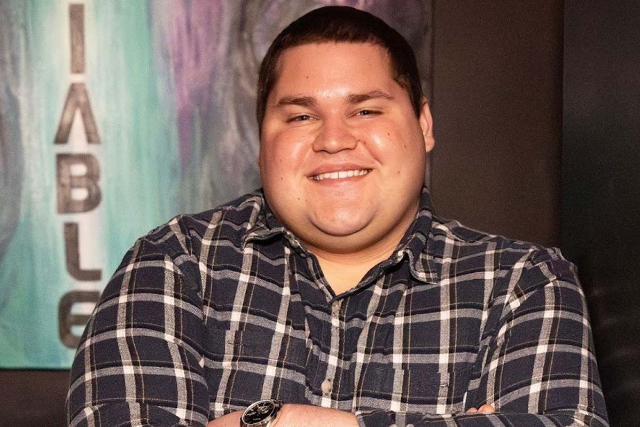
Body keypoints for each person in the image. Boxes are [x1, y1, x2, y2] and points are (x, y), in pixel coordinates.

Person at [67, 6, 609, 427]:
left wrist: (283, 421)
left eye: (366, 110)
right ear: (261, 143)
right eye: (301, 116)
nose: (333, 139)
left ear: (423, 126)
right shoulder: (174, 265)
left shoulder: (522, 283)